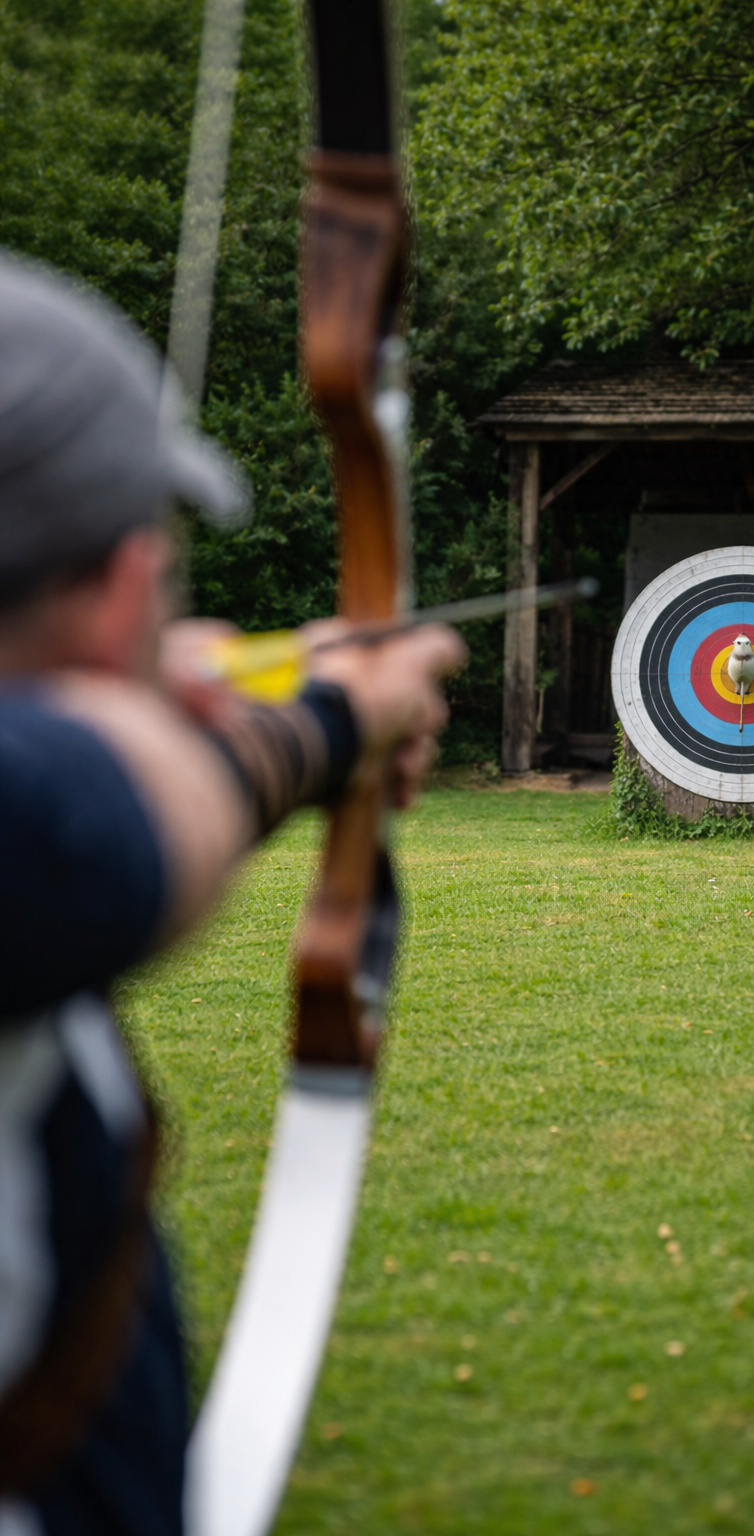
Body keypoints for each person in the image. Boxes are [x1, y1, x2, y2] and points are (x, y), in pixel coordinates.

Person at [0, 254, 464, 1536]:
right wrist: (338, 719)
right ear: (125, 588)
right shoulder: (39, 825)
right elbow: (84, 822)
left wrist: (173, 689)